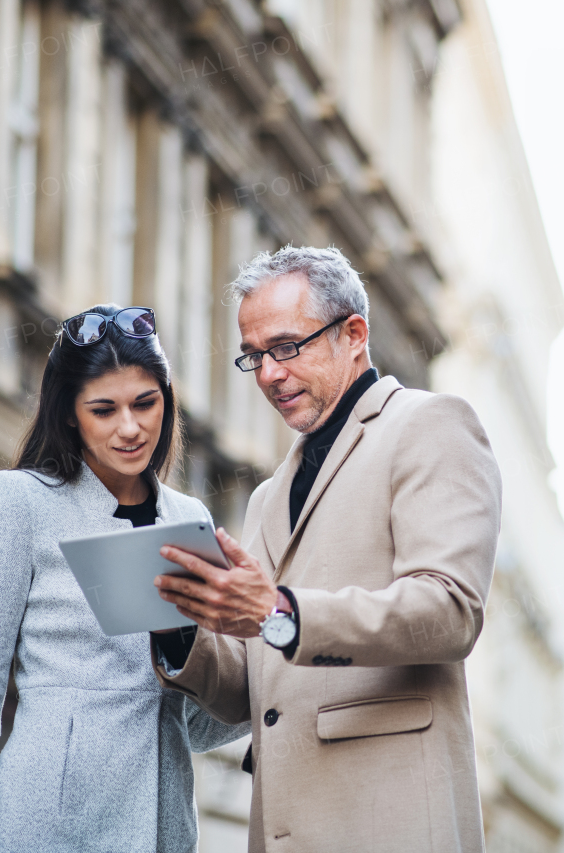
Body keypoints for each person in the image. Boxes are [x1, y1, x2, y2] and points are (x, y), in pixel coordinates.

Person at [149, 246, 503, 852]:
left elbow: (449, 612)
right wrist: (183, 624)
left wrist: (279, 612)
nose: (268, 374)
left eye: (286, 347)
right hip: (285, 827)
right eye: (254, 356)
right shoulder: (267, 496)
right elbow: (248, 689)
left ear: (354, 334)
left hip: (390, 823)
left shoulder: (430, 424)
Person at [0, 305, 249, 853]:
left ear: (167, 401)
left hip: (164, 825)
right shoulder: (19, 502)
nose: (130, 428)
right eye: (104, 410)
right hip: (48, 826)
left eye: (145, 403)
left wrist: (241, 666)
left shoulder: (188, 519)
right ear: (68, 415)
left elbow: (200, 729)